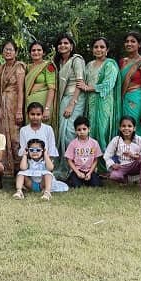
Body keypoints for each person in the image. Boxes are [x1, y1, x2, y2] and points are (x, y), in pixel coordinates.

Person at [78, 37, 118, 171]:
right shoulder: (89, 65)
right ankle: (92, 166)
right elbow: (82, 82)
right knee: (91, 131)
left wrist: (88, 88)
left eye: (102, 47)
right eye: (96, 47)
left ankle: (105, 166)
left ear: (107, 50)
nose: (98, 49)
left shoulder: (110, 65)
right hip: (91, 102)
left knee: (102, 131)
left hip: (104, 102)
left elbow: (108, 85)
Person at [53, 34, 86, 180]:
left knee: (70, 134)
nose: (63, 45)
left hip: (75, 99)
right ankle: (63, 166)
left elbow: (80, 82)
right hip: (63, 99)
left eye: (66, 43)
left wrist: (72, 104)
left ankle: (74, 168)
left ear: (71, 46)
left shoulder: (76, 60)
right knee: (61, 134)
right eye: (60, 43)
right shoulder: (59, 62)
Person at [0, 40, 26, 175]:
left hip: (14, 103)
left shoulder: (19, 67)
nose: (8, 52)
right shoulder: (1, 68)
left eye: (11, 49)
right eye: (5, 49)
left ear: (16, 52)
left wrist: (19, 110)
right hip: (2, 105)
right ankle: (5, 166)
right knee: (2, 134)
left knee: (15, 137)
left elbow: (20, 90)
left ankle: (18, 166)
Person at [103, 116, 141, 190]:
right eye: (123, 126)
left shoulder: (138, 139)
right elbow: (107, 155)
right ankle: (124, 180)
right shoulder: (116, 140)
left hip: (135, 165)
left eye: (129, 126)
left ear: (134, 128)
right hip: (122, 166)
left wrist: (134, 156)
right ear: (120, 128)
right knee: (114, 176)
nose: (126, 128)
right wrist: (112, 164)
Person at [65, 116, 102, 188]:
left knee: (96, 184)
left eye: (84, 129)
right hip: (77, 170)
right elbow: (69, 160)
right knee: (76, 185)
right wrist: (77, 172)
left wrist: (90, 173)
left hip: (90, 170)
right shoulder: (73, 143)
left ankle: (89, 179)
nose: (82, 132)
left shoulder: (94, 143)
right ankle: (75, 179)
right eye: (79, 130)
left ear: (89, 129)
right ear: (75, 131)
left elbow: (96, 160)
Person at [24, 41, 56, 123]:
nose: (36, 52)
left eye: (39, 50)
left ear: (43, 52)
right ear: (30, 53)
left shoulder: (48, 65)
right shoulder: (28, 67)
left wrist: (47, 108)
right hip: (29, 103)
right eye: (33, 50)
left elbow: (52, 88)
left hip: (43, 104)